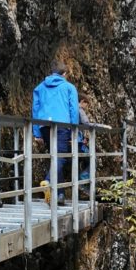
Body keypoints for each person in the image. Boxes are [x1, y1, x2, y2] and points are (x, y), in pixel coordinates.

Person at [32, 61, 79, 205]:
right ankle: (48, 180)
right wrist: (75, 132)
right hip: (62, 126)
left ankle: (59, 196)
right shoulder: (69, 87)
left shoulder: (39, 88)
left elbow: (34, 111)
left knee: (54, 157)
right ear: (64, 74)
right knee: (60, 158)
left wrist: (37, 133)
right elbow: (73, 110)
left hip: (45, 126)